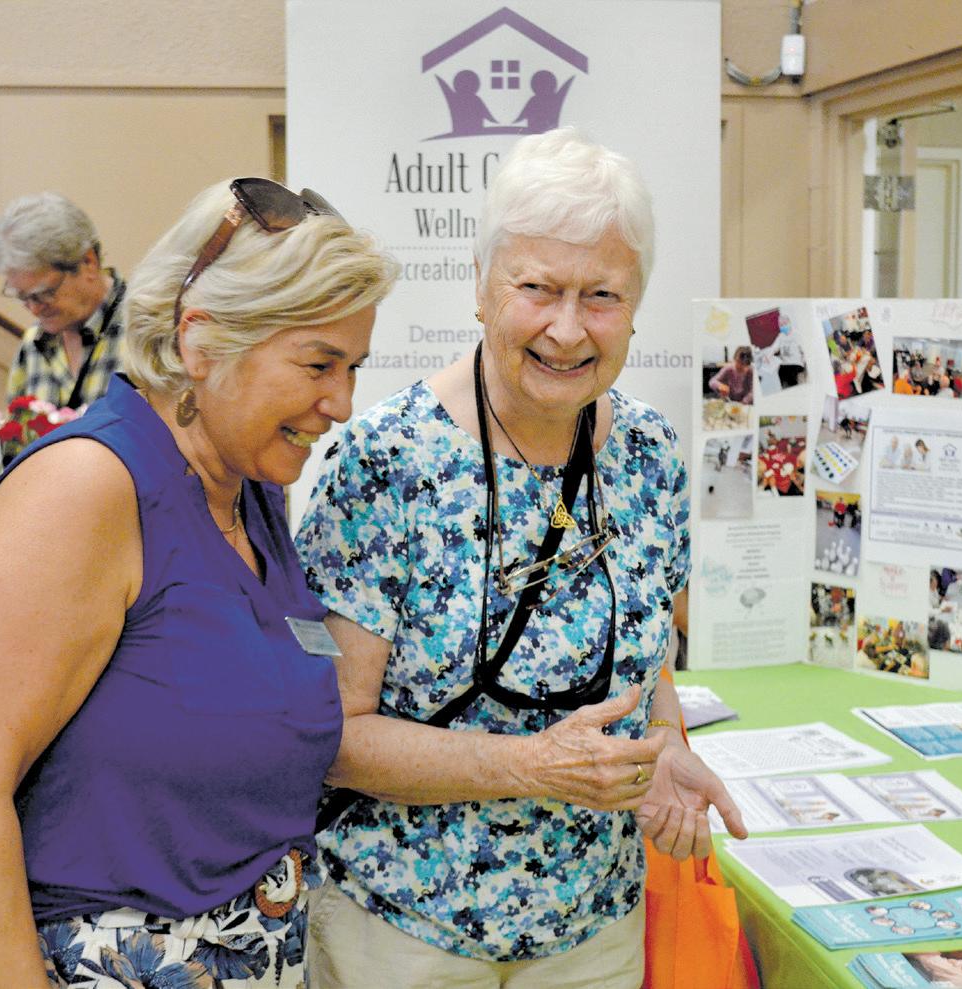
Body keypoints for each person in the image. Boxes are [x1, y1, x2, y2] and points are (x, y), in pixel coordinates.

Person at [295, 128, 746, 988]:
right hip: (405, 935)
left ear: (636, 305)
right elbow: (333, 737)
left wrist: (662, 745)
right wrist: (532, 766)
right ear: (480, 285)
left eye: (602, 295)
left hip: (595, 932)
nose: (567, 329)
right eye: (537, 288)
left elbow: (648, 660)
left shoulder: (649, 455)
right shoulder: (386, 462)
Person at [0, 177, 397, 988]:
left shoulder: (249, 489)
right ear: (200, 341)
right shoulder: (88, 487)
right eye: (319, 364)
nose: (343, 403)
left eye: (353, 366)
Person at [0, 192, 127, 408]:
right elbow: (17, 428)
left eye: (45, 293)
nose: (34, 309)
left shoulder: (147, 330)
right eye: (23, 297)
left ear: (88, 262)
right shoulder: (33, 344)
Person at [768, 314, 806, 389]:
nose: (783, 326)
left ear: (789, 323)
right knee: (780, 372)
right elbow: (774, 347)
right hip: (785, 364)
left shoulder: (796, 335)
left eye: (784, 323)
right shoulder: (780, 336)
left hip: (796, 363)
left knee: (791, 376)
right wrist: (769, 355)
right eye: (781, 325)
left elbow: (804, 350)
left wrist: (803, 360)